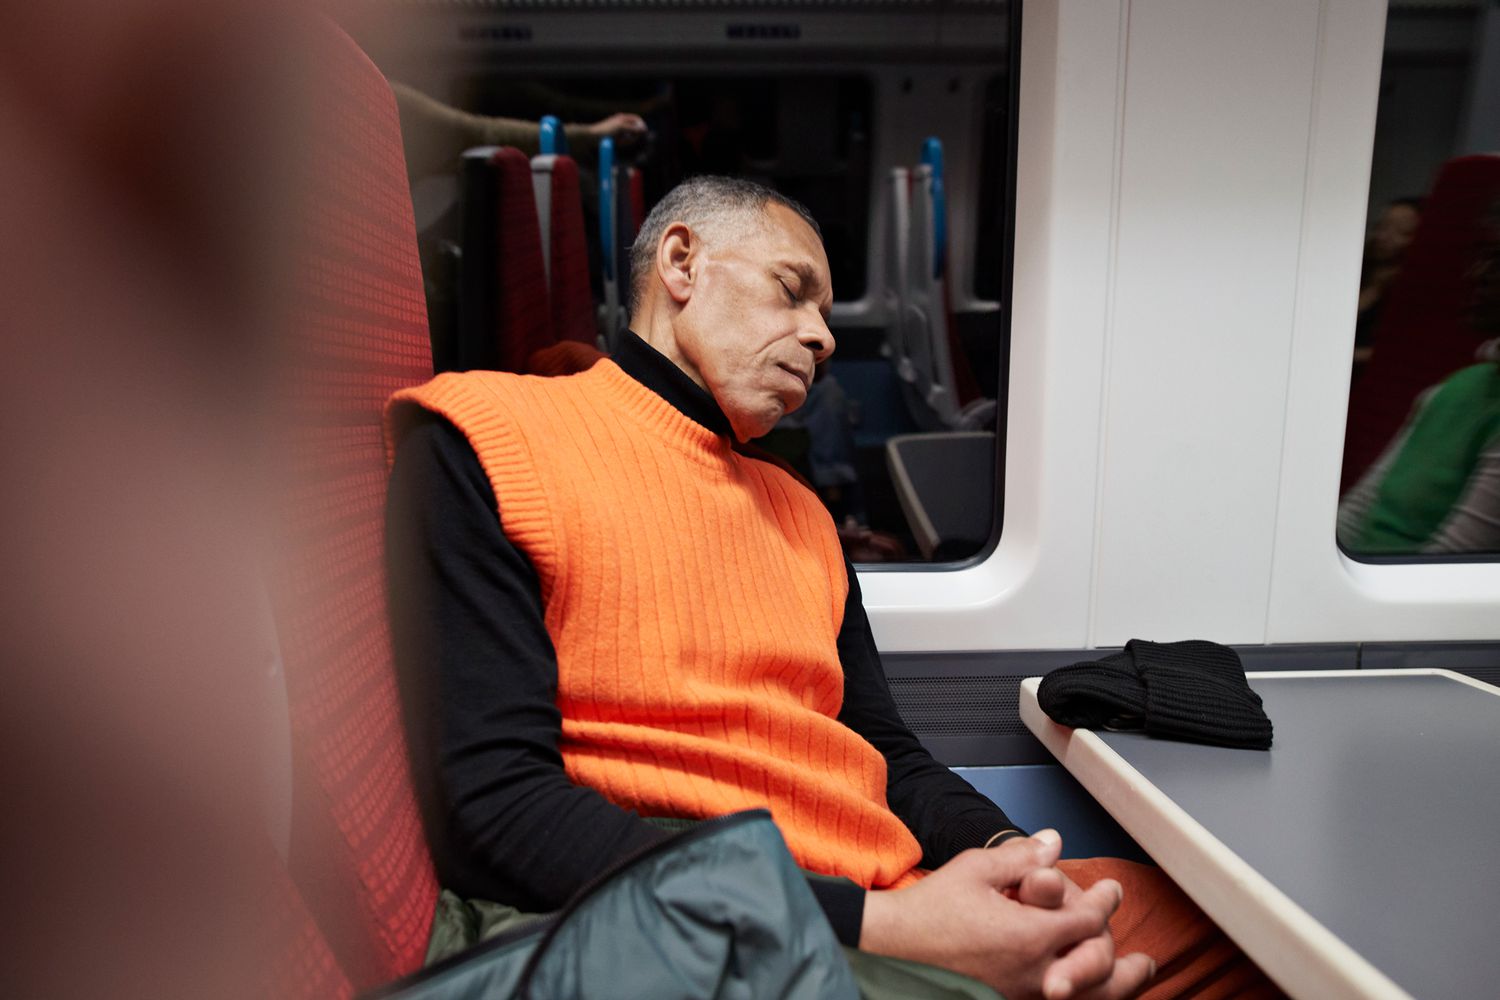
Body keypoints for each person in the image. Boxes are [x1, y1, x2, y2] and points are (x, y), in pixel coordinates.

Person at [386, 177, 1278, 999]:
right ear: (682, 263)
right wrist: (893, 927)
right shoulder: (492, 435)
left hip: (875, 886)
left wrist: (1013, 858)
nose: (823, 334)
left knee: (1233, 930)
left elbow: (885, 753)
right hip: (706, 915)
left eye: (823, 308)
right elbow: (493, 806)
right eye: (792, 289)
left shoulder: (800, 513)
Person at [1353, 197, 1423, 374]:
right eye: (1381, 227)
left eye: (1401, 232)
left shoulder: (1411, 293)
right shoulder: (1355, 273)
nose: (1383, 237)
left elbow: (1402, 348)